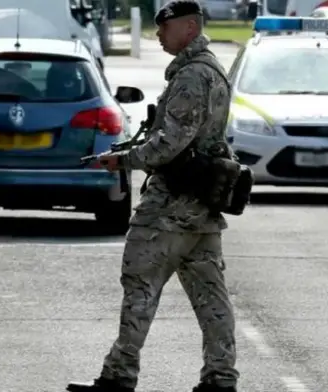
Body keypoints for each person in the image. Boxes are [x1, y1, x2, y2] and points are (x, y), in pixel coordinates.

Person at [66, 1, 239, 392]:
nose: (159, 34)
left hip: (171, 208)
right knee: (211, 296)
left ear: (190, 28)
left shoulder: (193, 76)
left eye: (167, 27)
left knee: (140, 285)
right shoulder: (208, 69)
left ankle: (119, 375)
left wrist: (123, 160)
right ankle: (221, 378)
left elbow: (170, 145)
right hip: (201, 209)